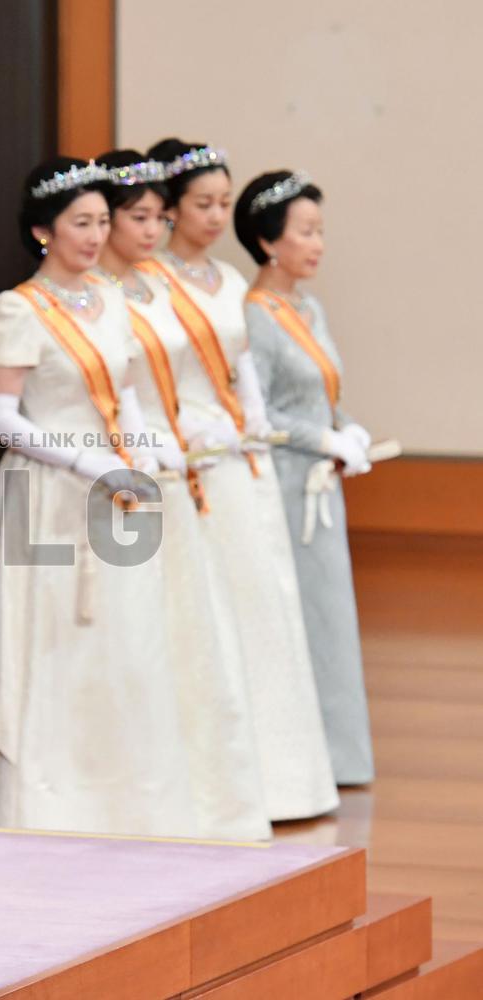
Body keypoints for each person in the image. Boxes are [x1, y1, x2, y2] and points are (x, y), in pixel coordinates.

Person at [0, 157, 202, 838]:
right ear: (43, 230)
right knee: (55, 654)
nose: (95, 237)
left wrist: (141, 446)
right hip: (48, 496)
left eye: (101, 222)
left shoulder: (110, 296)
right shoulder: (16, 308)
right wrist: (84, 460)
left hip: (115, 492)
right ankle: (50, 807)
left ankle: (130, 805)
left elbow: (123, 389)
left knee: (129, 646)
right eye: (80, 223)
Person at [138, 138, 338, 821]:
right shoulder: (150, 280)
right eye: (204, 204)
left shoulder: (225, 279)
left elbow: (242, 367)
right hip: (195, 456)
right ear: (170, 209)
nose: (217, 216)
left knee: (267, 605)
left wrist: (254, 422)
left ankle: (287, 777)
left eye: (225, 203)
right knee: (218, 617)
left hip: (242, 453)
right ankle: (226, 781)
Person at [94, 149, 271, 840]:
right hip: (133, 466)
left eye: (158, 217)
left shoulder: (157, 289)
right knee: (144, 638)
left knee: (197, 637)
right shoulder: (97, 295)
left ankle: (205, 793)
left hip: (181, 462)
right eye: (137, 217)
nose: (152, 230)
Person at [235, 170, 374, 785]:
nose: (317, 244)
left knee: (330, 616)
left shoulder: (308, 307)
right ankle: (300, 761)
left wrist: (349, 428)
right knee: (300, 616)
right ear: (268, 242)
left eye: (321, 232)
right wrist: (323, 438)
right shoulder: (255, 316)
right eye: (306, 232)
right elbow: (256, 413)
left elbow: (320, 393)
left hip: (321, 483)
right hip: (285, 487)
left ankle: (339, 755)